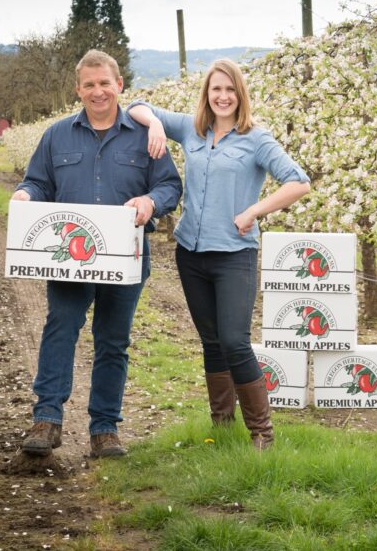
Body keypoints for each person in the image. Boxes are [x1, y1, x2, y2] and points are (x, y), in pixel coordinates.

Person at [127, 58, 310, 450]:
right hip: (191, 252)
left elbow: (299, 181)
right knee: (211, 341)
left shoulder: (256, 139)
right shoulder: (191, 131)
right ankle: (222, 426)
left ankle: (262, 433)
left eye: (230, 90)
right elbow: (136, 105)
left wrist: (254, 211)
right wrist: (156, 123)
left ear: (239, 94)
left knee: (234, 340)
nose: (223, 96)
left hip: (234, 255)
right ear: (207, 95)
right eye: (216, 90)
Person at [12, 50, 182, 458]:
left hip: (126, 256)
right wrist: (25, 194)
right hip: (70, 256)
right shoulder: (56, 135)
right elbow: (38, 182)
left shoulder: (146, 136)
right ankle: (47, 419)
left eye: (105, 83)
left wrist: (149, 201)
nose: (98, 91)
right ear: (78, 90)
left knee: (112, 340)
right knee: (61, 328)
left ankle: (104, 428)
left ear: (119, 85)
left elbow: (170, 187)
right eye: (89, 85)